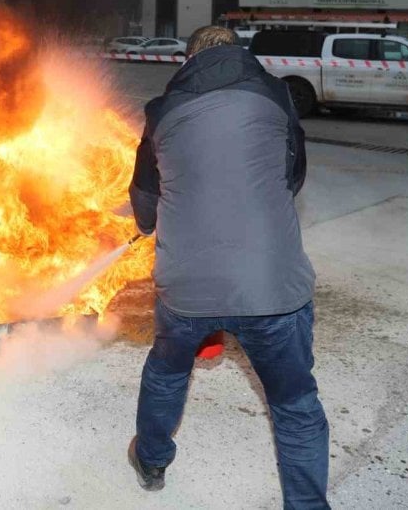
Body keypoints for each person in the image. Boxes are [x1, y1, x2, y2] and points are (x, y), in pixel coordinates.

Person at [127, 26, 329, 507]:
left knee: (168, 371)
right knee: (296, 406)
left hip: (188, 288)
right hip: (271, 288)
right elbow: (292, 177)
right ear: (238, 51)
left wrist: (156, 218)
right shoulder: (276, 96)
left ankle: (152, 461)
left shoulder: (162, 113)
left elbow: (144, 204)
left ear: (189, 59)